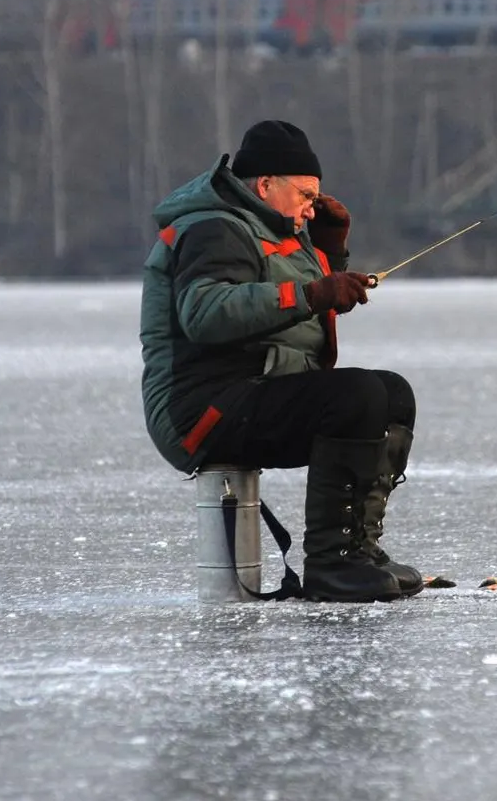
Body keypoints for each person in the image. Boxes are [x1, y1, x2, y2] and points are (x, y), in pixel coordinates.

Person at [140, 120, 420, 603]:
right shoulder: (214, 228)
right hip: (201, 409)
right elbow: (206, 314)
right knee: (357, 395)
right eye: (306, 194)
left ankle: (358, 550)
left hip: (251, 389)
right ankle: (330, 563)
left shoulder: (274, 229)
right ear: (266, 184)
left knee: (392, 395)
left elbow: (298, 313)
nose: (313, 205)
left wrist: (329, 251)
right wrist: (315, 291)